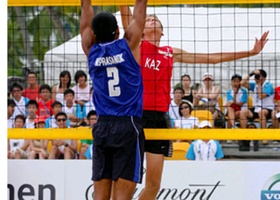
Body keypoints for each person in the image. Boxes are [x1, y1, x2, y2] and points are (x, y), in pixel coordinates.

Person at [119, 7, 268, 199]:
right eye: (147, 19)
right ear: (141, 28)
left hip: (158, 119)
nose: (151, 20)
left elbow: (212, 58)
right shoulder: (135, 45)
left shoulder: (170, 53)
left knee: (154, 185)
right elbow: (126, 17)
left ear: (162, 32)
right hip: (135, 117)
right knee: (129, 182)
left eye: (154, 19)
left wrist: (251, 52)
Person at [80, 0, 147, 198]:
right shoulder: (129, 45)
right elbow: (140, 12)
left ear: (93, 33)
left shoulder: (90, 50)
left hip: (103, 127)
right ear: (117, 31)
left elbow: (85, 14)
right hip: (128, 126)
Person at [240, 69, 274, 145]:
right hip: (256, 108)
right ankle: (244, 136)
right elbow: (242, 83)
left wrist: (258, 85)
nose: (256, 78)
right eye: (255, 76)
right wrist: (251, 74)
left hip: (267, 108)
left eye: (258, 76)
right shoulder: (254, 85)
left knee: (261, 113)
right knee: (243, 112)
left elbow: (260, 96)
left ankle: (264, 137)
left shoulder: (268, 85)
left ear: (264, 77)